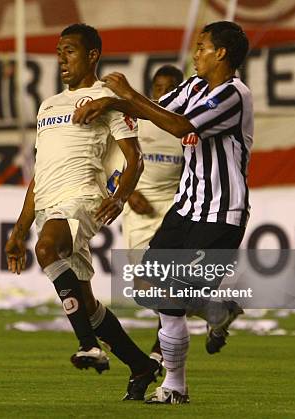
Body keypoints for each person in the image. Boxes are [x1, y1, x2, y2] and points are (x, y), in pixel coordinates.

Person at [74, 21, 252, 404]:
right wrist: (110, 102)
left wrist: (125, 93)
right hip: (185, 208)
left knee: (171, 297)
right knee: (148, 286)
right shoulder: (193, 86)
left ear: (221, 53)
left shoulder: (233, 95)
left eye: (202, 46)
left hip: (221, 213)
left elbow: (178, 124)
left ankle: (174, 385)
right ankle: (214, 314)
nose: (196, 52)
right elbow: (155, 110)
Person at [5, 23, 161, 401]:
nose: (61, 58)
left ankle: (88, 346)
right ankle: (140, 364)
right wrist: (17, 231)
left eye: (70, 50)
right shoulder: (48, 106)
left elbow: (134, 158)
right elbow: (38, 177)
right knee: (87, 305)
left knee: (47, 251)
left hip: (82, 198)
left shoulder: (107, 99)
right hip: (49, 203)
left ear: (92, 55)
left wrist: (120, 196)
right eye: (59, 51)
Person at [120, 65, 184, 363]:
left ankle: (161, 350)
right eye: (159, 88)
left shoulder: (184, 128)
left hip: (172, 208)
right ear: (152, 89)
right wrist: (128, 193)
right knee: (142, 287)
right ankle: (212, 308)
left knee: (165, 280)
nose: (164, 94)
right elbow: (108, 165)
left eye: (171, 88)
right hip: (138, 210)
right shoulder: (135, 123)